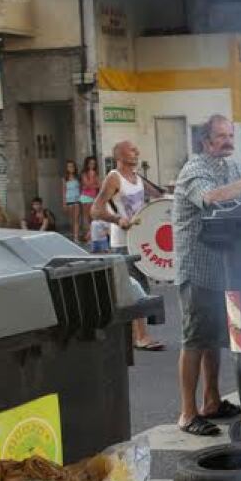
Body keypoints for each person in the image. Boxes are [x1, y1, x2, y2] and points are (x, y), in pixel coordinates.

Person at [172, 114, 241, 436]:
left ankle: (212, 401)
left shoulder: (229, 167)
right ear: (205, 141)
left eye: (230, 135)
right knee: (194, 339)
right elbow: (214, 197)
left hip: (223, 268)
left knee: (214, 339)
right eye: (221, 136)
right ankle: (187, 413)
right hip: (198, 267)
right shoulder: (195, 170)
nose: (228, 140)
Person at [91, 140, 165, 352]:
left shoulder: (137, 177)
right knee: (135, 286)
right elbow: (95, 210)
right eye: (132, 150)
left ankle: (135, 336)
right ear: (120, 155)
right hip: (122, 242)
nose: (137, 152)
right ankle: (140, 337)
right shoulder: (114, 177)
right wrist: (117, 220)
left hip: (139, 240)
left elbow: (159, 196)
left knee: (138, 285)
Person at [79, 156, 101, 239]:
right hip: (86, 197)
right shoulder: (84, 173)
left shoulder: (96, 173)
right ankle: (88, 235)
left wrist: (92, 185)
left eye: (94, 164)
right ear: (87, 164)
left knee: (93, 216)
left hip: (94, 196)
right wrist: (93, 182)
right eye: (90, 163)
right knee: (86, 217)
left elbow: (100, 185)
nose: (92, 165)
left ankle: (90, 234)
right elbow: (87, 184)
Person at [62, 160, 82, 243]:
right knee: (72, 220)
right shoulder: (64, 179)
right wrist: (64, 203)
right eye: (69, 166)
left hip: (77, 200)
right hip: (69, 200)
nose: (71, 168)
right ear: (67, 168)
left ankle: (76, 237)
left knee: (76, 219)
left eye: (72, 166)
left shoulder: (78, 177)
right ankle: (73, 234)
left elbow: (81, 189)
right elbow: (63, 191)